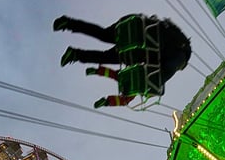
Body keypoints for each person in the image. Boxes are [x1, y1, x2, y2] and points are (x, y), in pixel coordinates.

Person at [54, 14, 191, 108]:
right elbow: (161, 75)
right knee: (105, 52)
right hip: (138, 44)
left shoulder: (173, 43)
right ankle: (75, 52)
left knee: (104, 36)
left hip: (136, 30)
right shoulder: (180, 57)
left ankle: (69, 28)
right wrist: (152, 90)